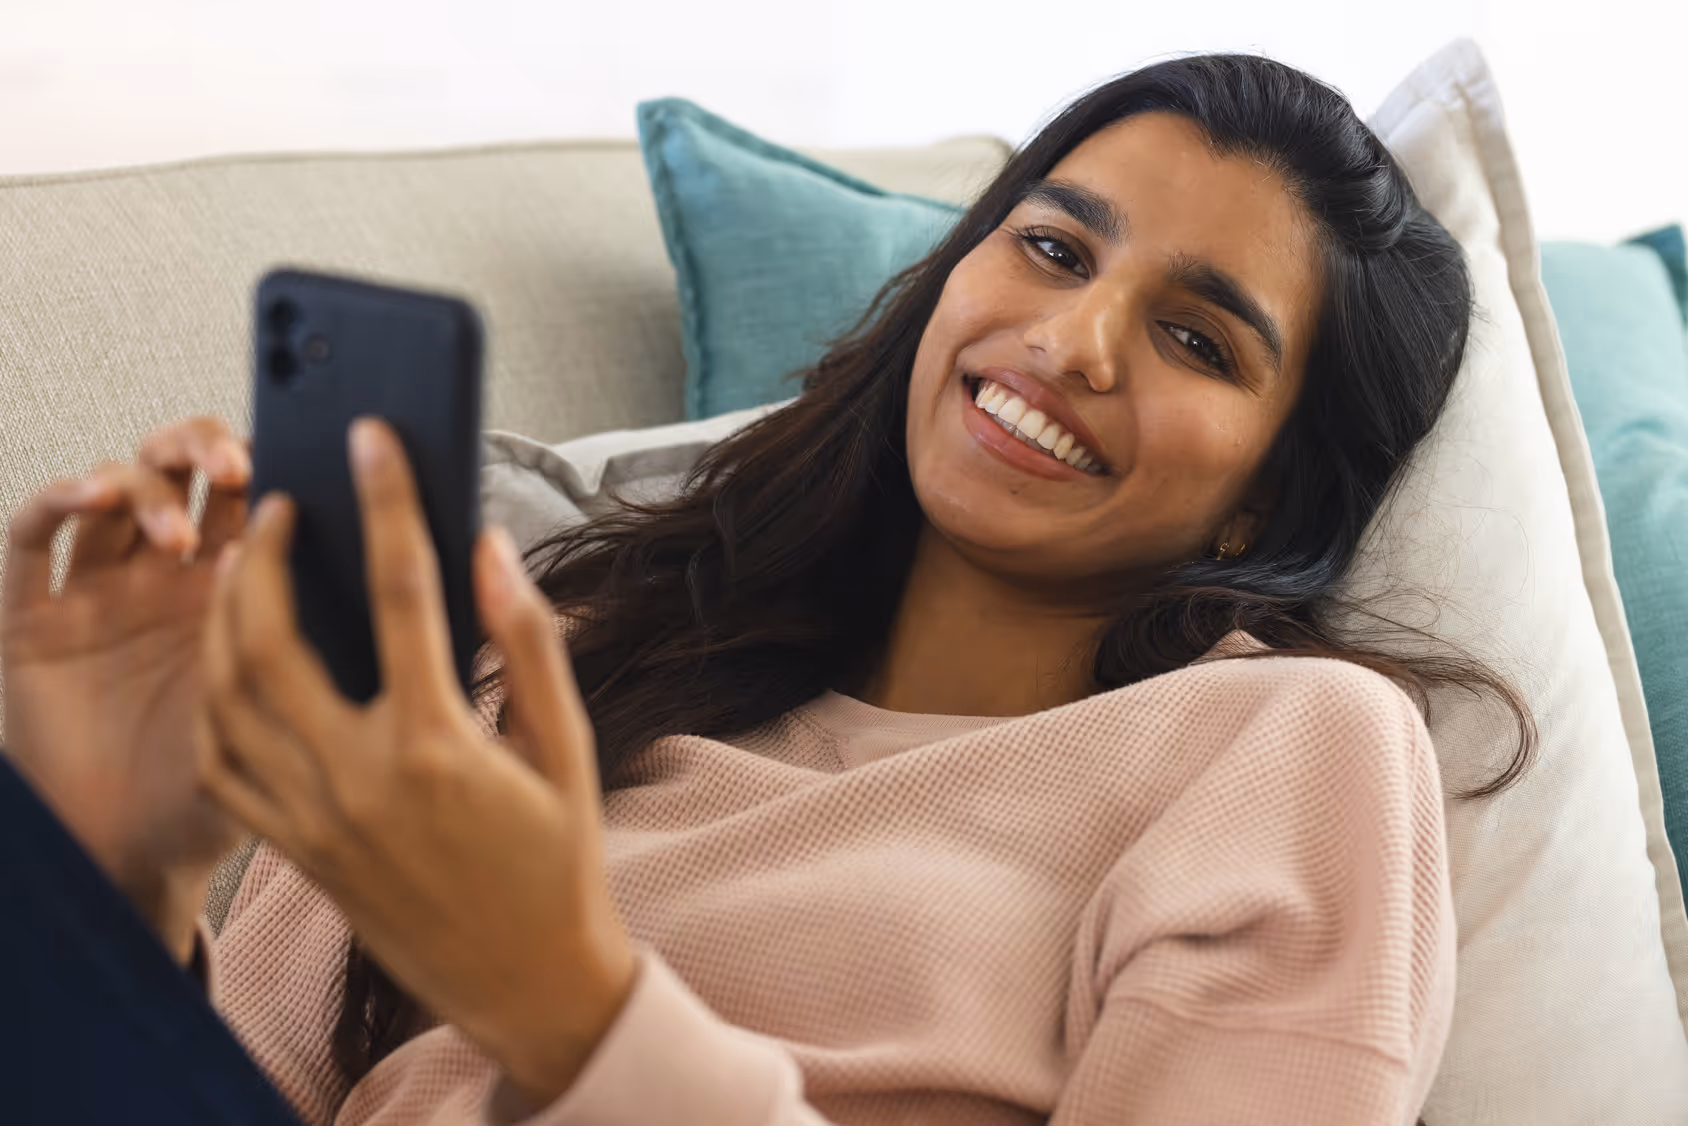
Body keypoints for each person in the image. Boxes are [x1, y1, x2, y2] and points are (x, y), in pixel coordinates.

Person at [1, 53, 1532, 1126]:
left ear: (1271, 491)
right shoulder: (549, 657)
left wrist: (572, 1008)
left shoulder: (1287, 750)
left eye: (1197, 340)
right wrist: (118, 877)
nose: (1074, 342)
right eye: (1055, 247)